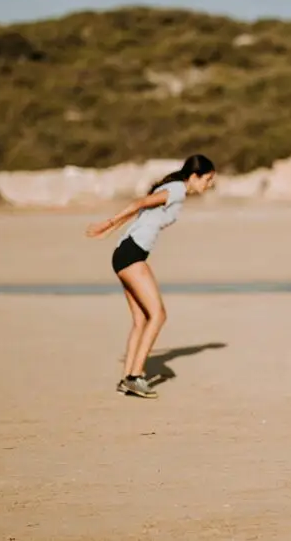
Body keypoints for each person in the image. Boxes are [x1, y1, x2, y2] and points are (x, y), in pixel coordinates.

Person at [85, 154, 216, 398]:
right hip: (132, 254)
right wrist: (108, 224)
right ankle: (135, 377)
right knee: (158, 315)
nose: (209, 185)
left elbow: (141, 209)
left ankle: (127, 379)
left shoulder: (173, 188)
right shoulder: (177, 190)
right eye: (207, 179)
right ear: (194, 176)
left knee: (140, 319)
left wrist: (111, 228)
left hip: (126, 252)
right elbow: (140, 203)